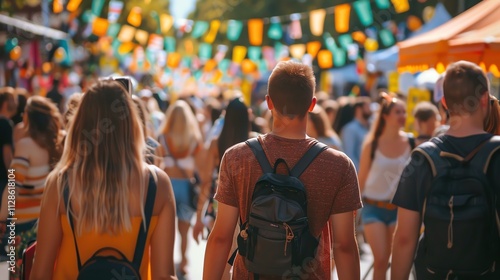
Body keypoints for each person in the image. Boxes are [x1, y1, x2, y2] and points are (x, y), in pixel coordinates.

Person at [203, 61, 361, 280]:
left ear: (268, 102)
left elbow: (221, 237)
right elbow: (344, 246)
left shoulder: (236, 157)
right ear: (312, 104)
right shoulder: (339, 164)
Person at [30, 80, 176, 280]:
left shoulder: (60, 183)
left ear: (80, 124)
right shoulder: (157, 184)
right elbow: (164, 276)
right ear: (131, 123)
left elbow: (40, 274)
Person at [391, 61, 500, 280]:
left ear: (444, 103)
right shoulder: (497, 153)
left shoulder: (422, 157)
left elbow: (404, 237)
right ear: (484, 100)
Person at [0, 96, 64, 279]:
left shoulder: (25, 146)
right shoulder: (60, 143)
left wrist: (3, 218)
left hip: (22, 228)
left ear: (29, 117)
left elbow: (13, 185)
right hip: (51, 223)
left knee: (17, 271)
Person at [357, 92, 413, 280]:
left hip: (401, 210)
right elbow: (361, 180)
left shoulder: (411, 142)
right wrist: (352, 213)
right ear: (385, 116)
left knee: (398, 261)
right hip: (373, 208)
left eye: (404, 112)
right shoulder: (372, 145)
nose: (402, 116)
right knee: (381, 260)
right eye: (398, 111)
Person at [157, 99, 204, 276]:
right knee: (184, 230)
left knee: (165, 230)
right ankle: (183, 261)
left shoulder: (163, 138)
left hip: (166, 186)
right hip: (186, 187)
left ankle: (166, 262)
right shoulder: (194, 139)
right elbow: (199, 169)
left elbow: (158, 162)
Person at [341, 96, 372, 171]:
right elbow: (349, 154)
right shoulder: (350, 129)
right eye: (367, 107)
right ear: (358, 109)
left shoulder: (370, 127)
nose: (370, 110)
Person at [0, 88, 17, 207]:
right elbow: (7, 154)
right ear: (5, 103)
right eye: (13, 99)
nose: (16, 103)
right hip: (2, 179)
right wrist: (12, 180)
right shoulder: (6, 124)